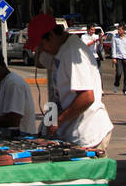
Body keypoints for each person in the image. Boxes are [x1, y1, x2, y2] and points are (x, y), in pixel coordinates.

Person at [34, 17, 114, 150]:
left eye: (42, 45)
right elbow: (38, 61)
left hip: (87, 133)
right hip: (71, 132)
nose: (41, 49)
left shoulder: (73, 52)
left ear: (52, 36)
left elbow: (87, 97)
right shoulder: (57, 50)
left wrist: (58, 120)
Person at [110, 25, 126, 94]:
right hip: (119, 58)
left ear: (123, 31)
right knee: (119, 73)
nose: (118, 31)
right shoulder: (115, 38)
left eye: (120, 30)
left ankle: (125, 89)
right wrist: (114, 58)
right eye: (118, 29)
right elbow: (113, 48)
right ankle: (116, 85)